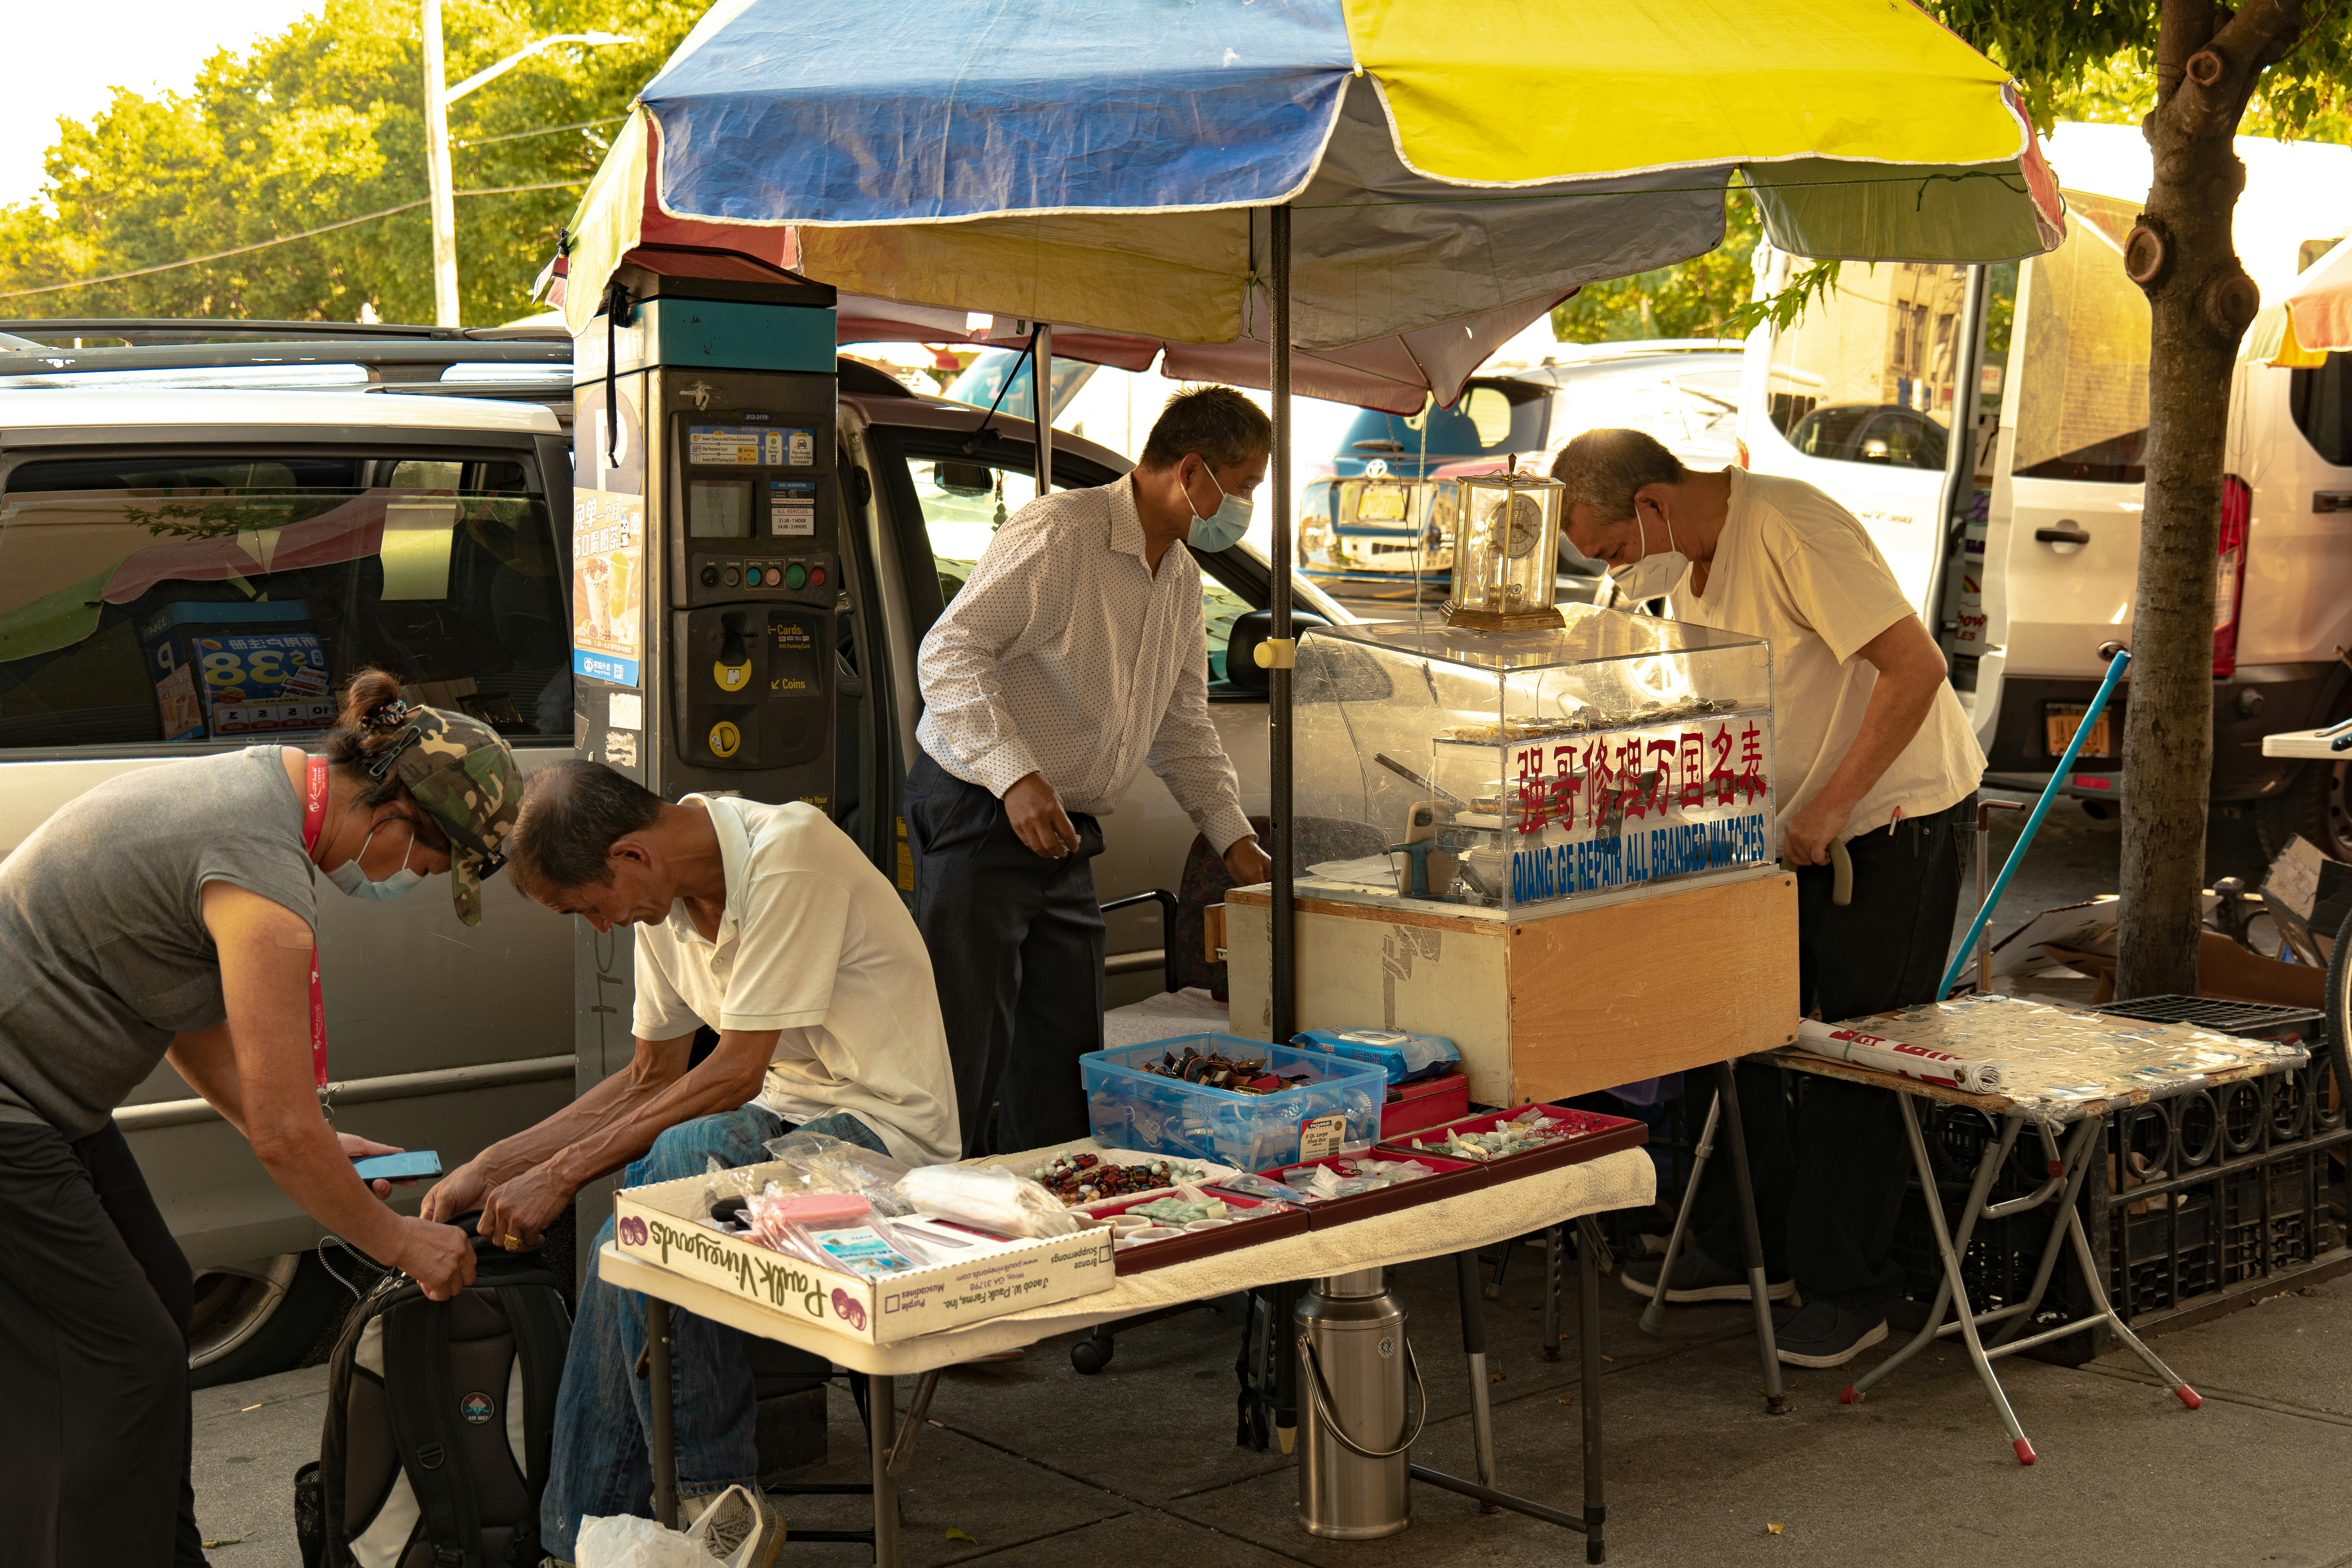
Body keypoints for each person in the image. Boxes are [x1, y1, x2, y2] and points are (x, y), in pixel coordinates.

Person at [0, 670, 521, 1568]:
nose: (408, 880)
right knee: (125, 1361)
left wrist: (298, 1133)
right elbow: (286, 1133)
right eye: (426, 866)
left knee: (158, 1293)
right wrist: (401, 1241)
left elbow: (185, 1012)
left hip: (49, 1103)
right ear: (395, 814)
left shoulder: (252, 790)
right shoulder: (263, 886)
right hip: (15, 1112)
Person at [420, 762, 959, 1566]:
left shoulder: (791, 853)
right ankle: (578, 1543)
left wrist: (562, 1173)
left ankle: (713, 1493)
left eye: (591, 906)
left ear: (632, 856)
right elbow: (650, 1076)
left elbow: (736, 1070)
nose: (603, 926)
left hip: (889, 1140)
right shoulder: (661, 908)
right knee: (618, 1251)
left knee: (675, 1163)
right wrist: (496, 1165)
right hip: (780, 1134)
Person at [1552, 428, 1982, 1368]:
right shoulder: (1685, 566)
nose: (1621, 572)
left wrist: (1830, 805)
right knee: (1732, 1027)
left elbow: (1916, 669)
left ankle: (1849, 1287)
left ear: (1656, 503)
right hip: (1781, 828)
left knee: (1857, 1056)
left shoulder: (1790, 526)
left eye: (1617, 550)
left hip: (1890, 821)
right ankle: (1756, 1240)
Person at [911, 385, 1276, 1154]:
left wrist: (1235, 840)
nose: (1243, 506)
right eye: (1242, 487)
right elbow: (949, 651)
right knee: (960, 1046)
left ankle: (1047, 1216)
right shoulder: (1062, 532)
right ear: (1192, 471)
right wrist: (1014, 774)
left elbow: (1181, 727)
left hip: (1068, 826)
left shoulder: (1177, 576)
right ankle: (938, 1221)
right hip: (981, 803)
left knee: (1065, 1050)